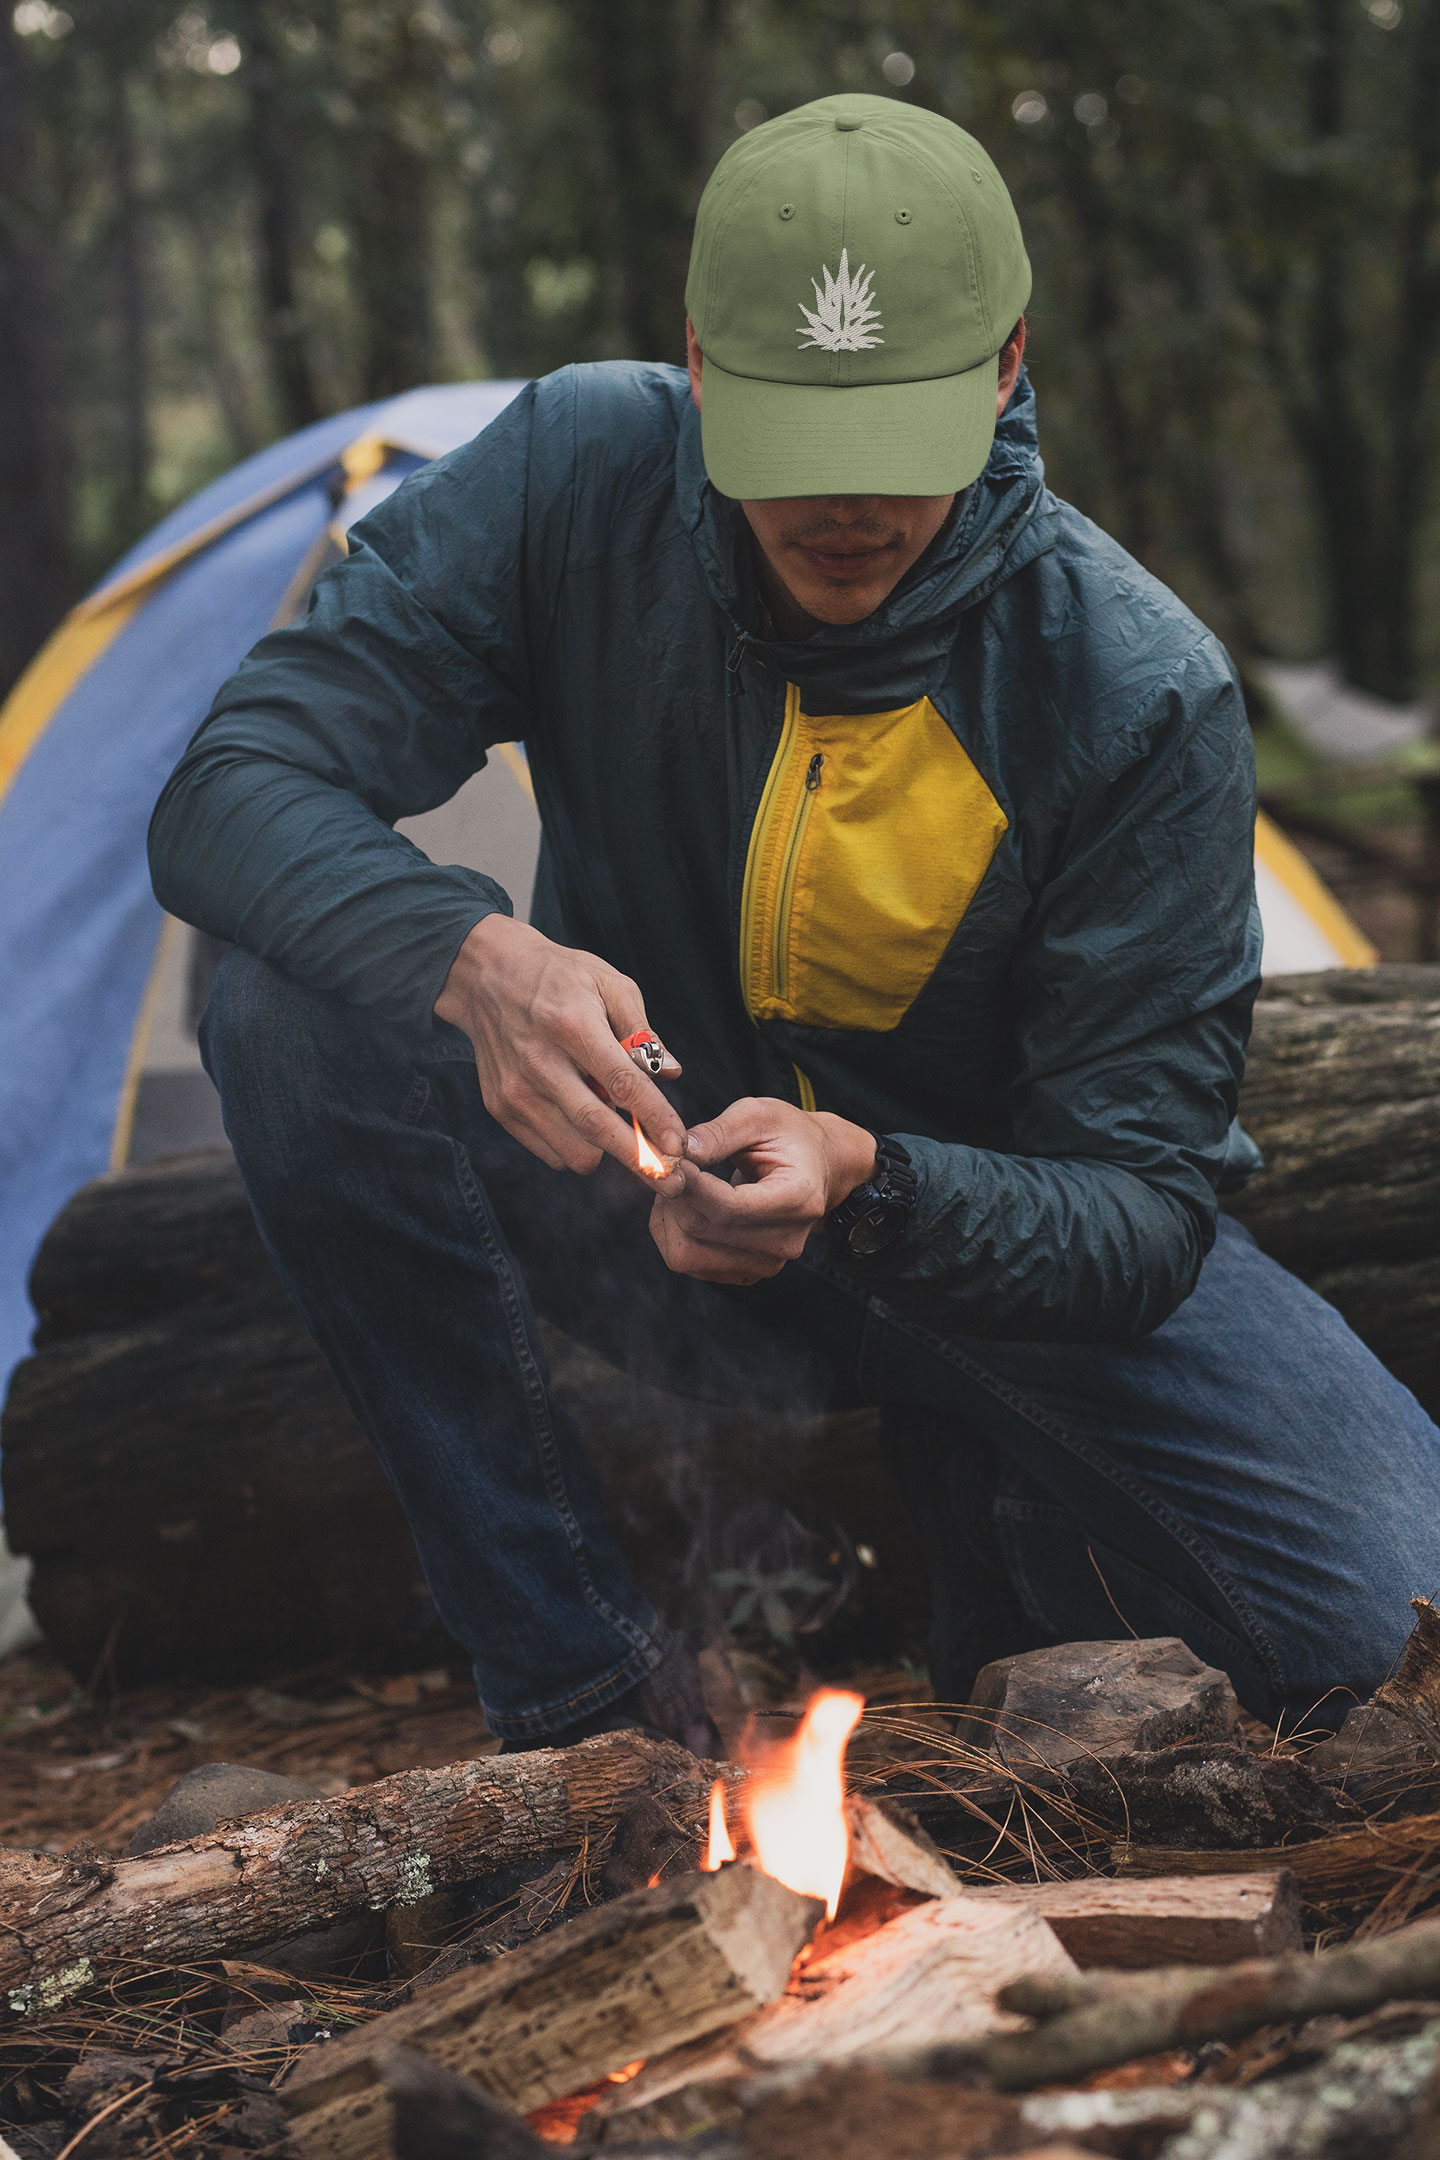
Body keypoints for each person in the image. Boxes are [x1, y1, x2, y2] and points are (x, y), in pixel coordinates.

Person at [150, 93, 1440, 1753]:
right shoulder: (575, 477)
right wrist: (473, 960)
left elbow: (1139, 1211)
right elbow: (228, 786)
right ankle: (582, 1694)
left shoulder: (1132, 685)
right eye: (793, 444)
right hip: (638, 1189)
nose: (844, 507)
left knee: (1394, 1621)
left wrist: (872, 1181)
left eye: (895, 445)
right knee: (287, 1007)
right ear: (699, 364)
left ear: (1007, 366)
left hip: (980, 1245)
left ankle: (1005, 1523)